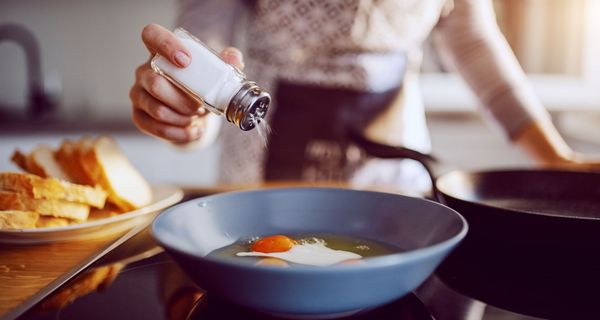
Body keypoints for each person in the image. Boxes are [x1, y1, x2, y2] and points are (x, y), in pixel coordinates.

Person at [129, 0, 600, 191]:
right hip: (260, 158)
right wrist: (187, 114)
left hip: (394, 168)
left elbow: (472, 39)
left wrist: (551, 155)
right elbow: (207, 45)